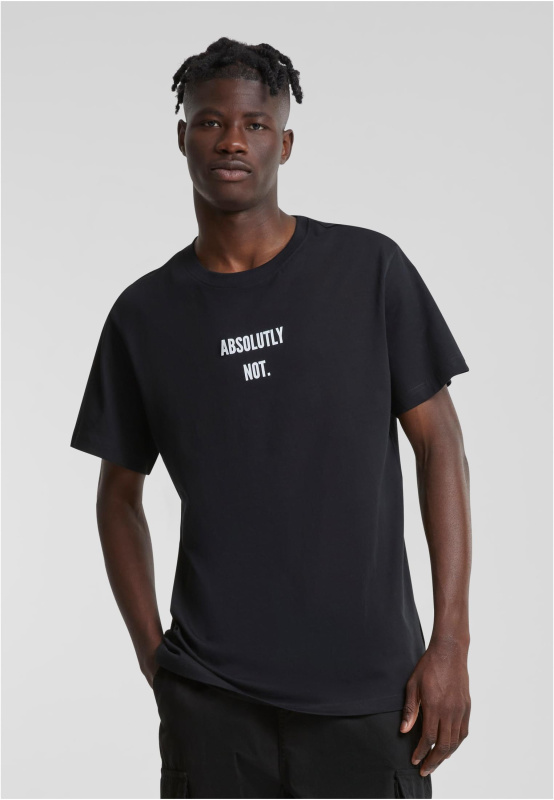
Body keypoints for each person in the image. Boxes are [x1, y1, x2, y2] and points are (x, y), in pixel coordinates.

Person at [70, 36, 472, 800]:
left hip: (372, 694)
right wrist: (156, 659)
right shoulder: (144, 315)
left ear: (283, 143)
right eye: (211, 121)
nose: (232, 140)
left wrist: (450, 641)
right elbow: (117, 497)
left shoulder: (368, 270)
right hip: (212, 703)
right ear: (182, 136)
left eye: (255, 124)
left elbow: (440, 445)